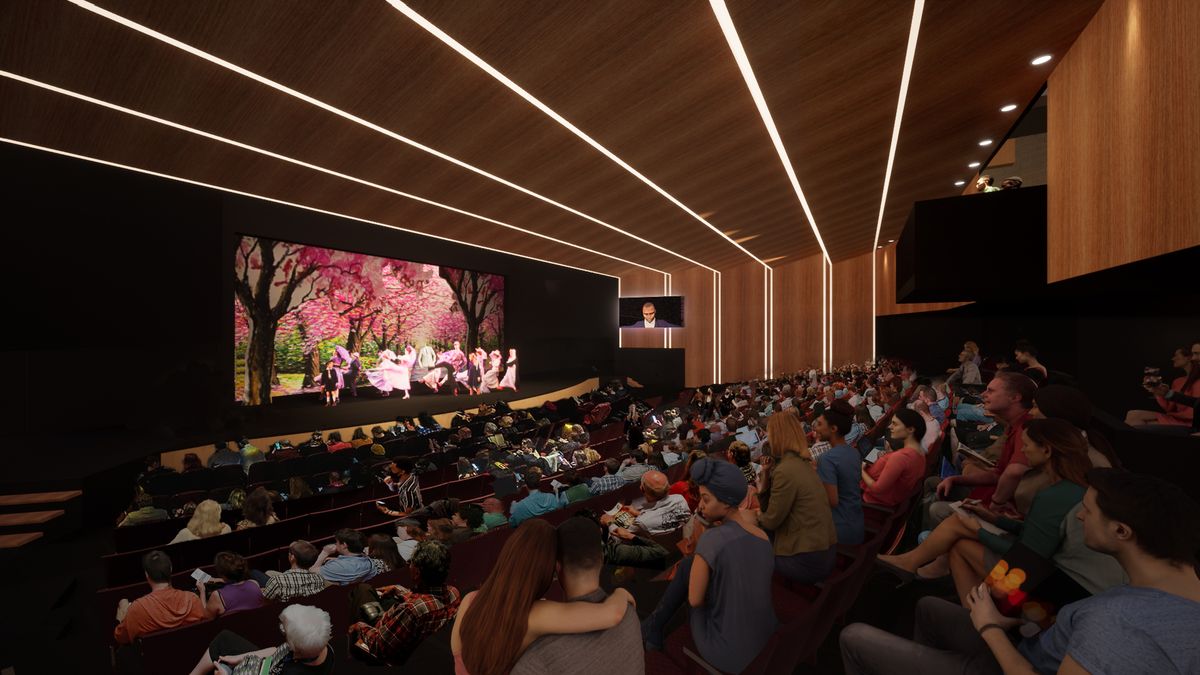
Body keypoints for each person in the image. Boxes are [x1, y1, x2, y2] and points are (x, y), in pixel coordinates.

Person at [840, 469, 1200, 675]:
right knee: (927, 608)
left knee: (853, 636)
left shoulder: (1118, 626)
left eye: (1087, 512)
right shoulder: (1175, 587)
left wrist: (992, 628)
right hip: (1031, 642)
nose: (1078, 516)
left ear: (1122, 531)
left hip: (1014, 662)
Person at [880, 418, 1092, 603]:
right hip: (1044, 577)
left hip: (1037, 589)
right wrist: (995, 519)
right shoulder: (1068, 487)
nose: (1023, 450)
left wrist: (977, 531)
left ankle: (980, 620)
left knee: (959, 530)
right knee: (958, 541)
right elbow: (1033, 536)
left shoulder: (1054, 495)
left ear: (1046, 450)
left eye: (1026, 445)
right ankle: (977, 616)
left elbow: (1026, 556)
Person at [640, 459, 777, 672]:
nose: (701, 506)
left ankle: (653, 626)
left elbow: (695, 600)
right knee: (690, 568)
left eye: (705, 499)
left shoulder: (712, 539)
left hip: (727, 653)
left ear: (726, 502)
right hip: (765, 634)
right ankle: (653, 625)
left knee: (687, 570)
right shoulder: (761, 534)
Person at [452, 519, 637, 675]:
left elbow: (458, 657)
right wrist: (620, 593)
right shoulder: (537, 613)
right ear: (549, 570)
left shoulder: (470, 600)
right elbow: (611, 614)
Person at [511, 518, 644, 675]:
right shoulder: (629, 612)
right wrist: (621, 592)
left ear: (557, 568)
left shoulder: (539, 656)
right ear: (601, 559)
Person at [934, 372, 1036, 517]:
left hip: (1003, 509)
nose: (983, 394)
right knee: (936, 484)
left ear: (1015, 397)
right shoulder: (1013, 426)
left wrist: (996, 503)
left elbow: (1015, 472)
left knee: (936, 508)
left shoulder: (1025, 427)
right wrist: (957, 478)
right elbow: (998, 474)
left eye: (991, 391)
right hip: (993, 492)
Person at [348, 540, 461, 664]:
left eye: (411, 563)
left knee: (362, 590)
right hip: (419, 644)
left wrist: (360, 627)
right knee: (368, 591)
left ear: (417, 572)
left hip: (389, 654)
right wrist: (400, 590)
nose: (409, 565)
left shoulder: (412, 609)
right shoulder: (453, 593)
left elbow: (380, 646)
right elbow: (429, 600)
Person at [757, 410, 838, 584]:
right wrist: (765, 474)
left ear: (777, 436)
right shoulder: (803, 462)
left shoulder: (786, 470)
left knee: (747, 540)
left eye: (769, 434)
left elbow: (770, 521)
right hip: (824, 552)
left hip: (808, 560)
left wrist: (753, 517)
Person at [186, 604, 333, 675]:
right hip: (266, 666)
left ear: (297, 648)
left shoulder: (293, 672)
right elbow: (276, 651)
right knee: (225, 639)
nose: (282, 631)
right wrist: (237, 658)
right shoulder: (321, 645)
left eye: (285, 631)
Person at [114, 550, 206, 644]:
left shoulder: (136, 610)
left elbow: (120, 638)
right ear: (170, 569)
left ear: (147, 575)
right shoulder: (193, 600)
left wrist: (122, 618)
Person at [814, 399, 865, 545]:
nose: (816, 428)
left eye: (820, 424)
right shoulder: (854, 452)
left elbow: (831, 501)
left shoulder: (826, 459)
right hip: (856, 523)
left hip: (839, 530)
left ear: (833, 429)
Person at [862, 409, 927, 508]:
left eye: (895, 424)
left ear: (910, 429)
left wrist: (860, 470)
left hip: (873, 502)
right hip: (894, 498)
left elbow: (877, 489)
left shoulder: (900, 457)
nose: (889, 427)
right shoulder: (921, 452)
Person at [1128, 342, 1200, 427]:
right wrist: (1158, 392)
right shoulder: (1177, 381)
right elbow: (1168, 408)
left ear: (1188, 357)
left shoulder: (1198, 381)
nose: (1173, 359)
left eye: (1176, 355)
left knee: (1139, 425)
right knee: (1131, 414)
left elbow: (1193, 410)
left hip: (1189, 422)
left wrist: (1171, 414)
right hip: (1176, 418)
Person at [603, 470, 691, 538]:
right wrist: (639, 513)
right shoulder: (680, 499)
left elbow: (621, 534)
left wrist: (609, 522)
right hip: (676, 546)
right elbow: (662, 518)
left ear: (642, 489)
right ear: (668, 487)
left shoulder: (642, 522)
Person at [199, 551, 264, 619]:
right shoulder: (254, 583)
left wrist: (202, 591)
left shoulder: (217, 596)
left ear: (222, 574)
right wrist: (219, 579)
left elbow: (206, 618)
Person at [262, 540, 327, 602]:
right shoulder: (319, 579)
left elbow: (265, 602)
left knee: (254, 572)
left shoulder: (277, 581)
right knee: (268, 572)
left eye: (290, 551)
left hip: (285, 612)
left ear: (292, 557)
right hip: (308, 610)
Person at [311, 528, 377, 585]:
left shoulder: (338, 567)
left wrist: (325, 552)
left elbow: (311, 573)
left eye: (336, 542)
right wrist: (334, 560)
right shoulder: (369, 561)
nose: (335, 544)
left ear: (344, 545)